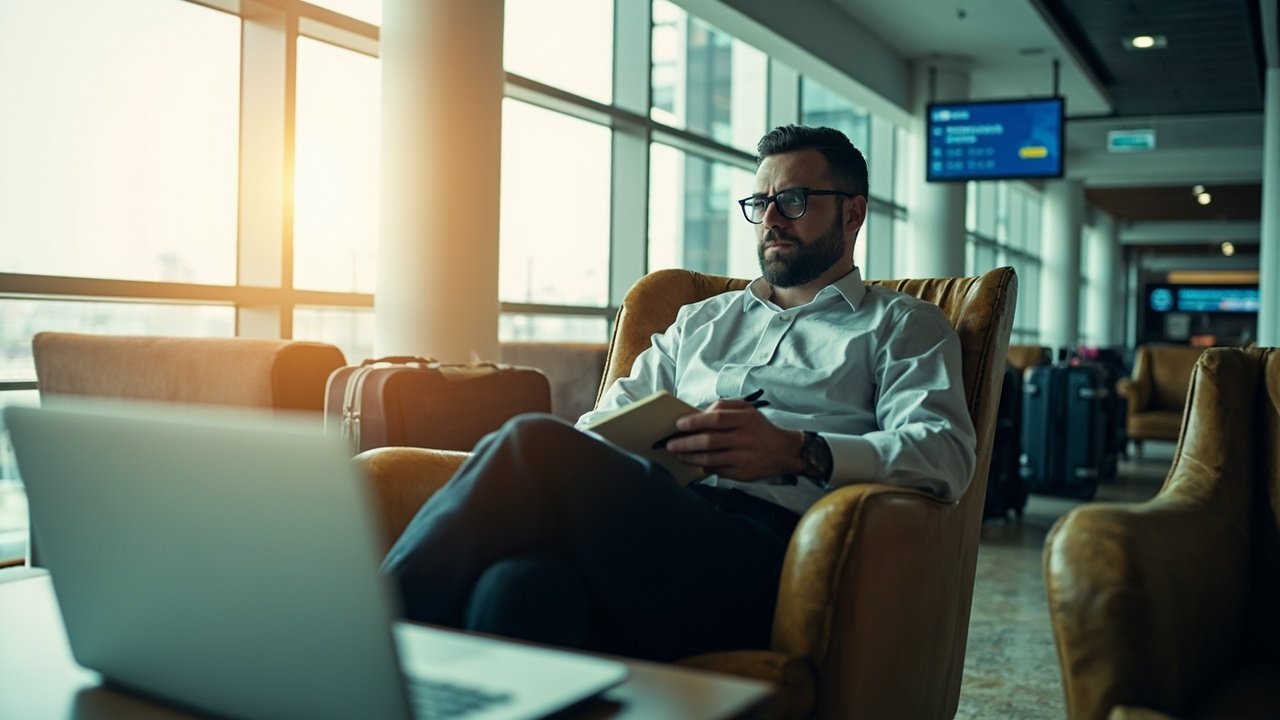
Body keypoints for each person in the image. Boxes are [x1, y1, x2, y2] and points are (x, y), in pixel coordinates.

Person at [382, 125, 976, 662]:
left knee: (533, 442)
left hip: (771, 556)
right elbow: (603, 427)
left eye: (793, 200)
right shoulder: (698, 322)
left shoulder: (903, 325)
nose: (771, 218)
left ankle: (360, 637)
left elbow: (943, 452)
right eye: (760, 203)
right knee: (519, 587)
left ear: (853, 214)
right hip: (649, 526)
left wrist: (800, 451)